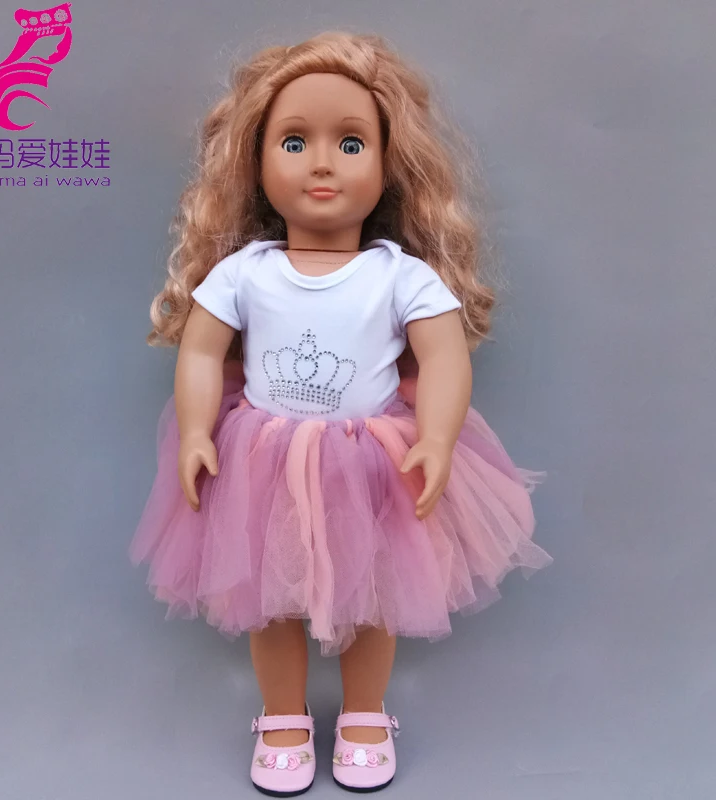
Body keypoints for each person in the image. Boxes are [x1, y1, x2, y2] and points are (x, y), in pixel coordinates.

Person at [129, 30, 553, 796]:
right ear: (256, 160)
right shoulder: (245, 272)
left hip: (370, 460)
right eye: (294, 142)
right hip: (262, 460)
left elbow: (445, 357)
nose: (321, 163)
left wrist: (437, 437)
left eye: (351, 143)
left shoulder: (400, 275)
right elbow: (200, 352)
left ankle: (363, 714)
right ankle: (282, 717)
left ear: (389, 163)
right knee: (265, 598)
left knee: (375, 594)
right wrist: (194, 430)